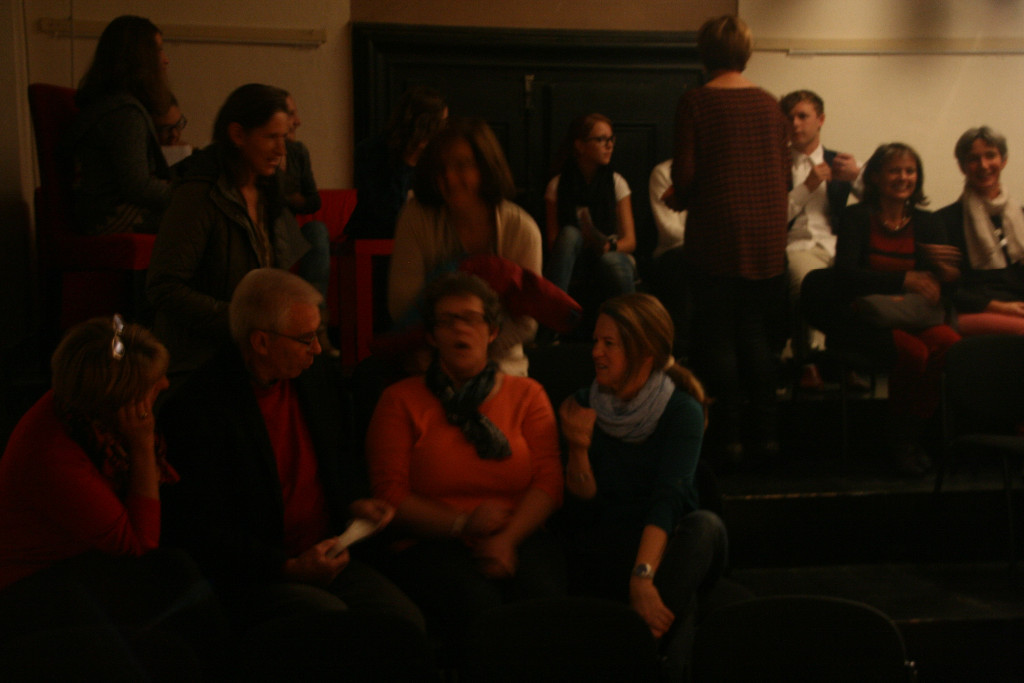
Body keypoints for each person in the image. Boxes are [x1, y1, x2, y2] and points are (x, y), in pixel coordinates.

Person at [159, 268, 432, 679]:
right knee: (333, 629)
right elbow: (200, 530)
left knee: (404, 624)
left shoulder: (314, 378)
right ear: (261, 342)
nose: (318, 349)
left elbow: (340, 457)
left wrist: (356, 502)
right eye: (306, 338)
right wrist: (287, 568)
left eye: (319, 334)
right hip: (259, 573)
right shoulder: (200, 409)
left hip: (328, 554)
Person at [0, 316, 223, 678]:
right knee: (170, 649)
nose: (166, 384)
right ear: (118, 401)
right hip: (33, 586)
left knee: (180, 573)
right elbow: (140, 543)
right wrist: (142, 444)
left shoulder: (84, 415)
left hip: (80, 563)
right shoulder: (54, 455)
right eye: (153, 382)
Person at [368, 272, 564, 651]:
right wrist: (462, 524)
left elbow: (549, 482)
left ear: (492, 331)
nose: (460, 328)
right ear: (432, 335)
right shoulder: (399, 400)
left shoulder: (527, 394)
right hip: (433, 541)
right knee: (478, 607)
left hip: (519, 531)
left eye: (471, 319)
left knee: (541, 604)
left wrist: (507, 539)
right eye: (447, 320)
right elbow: (389, 495)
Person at [558, 293, 727, 677]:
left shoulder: (681, 408)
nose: (596, 352)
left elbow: (669, 500)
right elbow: (582, 511)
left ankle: (635, 651)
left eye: (609, 343)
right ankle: (653, 657)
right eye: (596, 341)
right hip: (612, 540)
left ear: (645, 353)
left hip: (671, 543)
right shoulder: (582, 405)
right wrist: (578, 448)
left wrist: (642, 577)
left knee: (704, 526)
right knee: (678, 604)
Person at [670, 14, 790, 466]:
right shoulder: (771, 105)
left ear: (705, 52)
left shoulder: (696, 101)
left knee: (718, 335)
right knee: (756, 334)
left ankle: (729, 440)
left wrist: (680, 196)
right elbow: (783, 176)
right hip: (766, 239)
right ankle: (768, 438)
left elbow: (685, 175)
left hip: (717, 234)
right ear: (747, 52)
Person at [807, 143, 960, 475]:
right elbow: (845, 276)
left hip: (913, 316)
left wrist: (948, 276)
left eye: (910, 171)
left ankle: (912, 433)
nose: (903, 177)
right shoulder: (857, 217)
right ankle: (898, 440)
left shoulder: (928, 222)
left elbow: (939, 287)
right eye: (894, 170)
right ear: (874, 176)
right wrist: (902, 280)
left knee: (948, 342)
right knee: (914, 353)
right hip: (864, 318)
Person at [146, 83, 310, 380]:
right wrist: (242, 321)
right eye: (271, 137)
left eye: (284, 137)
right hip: (200, 362)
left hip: (249, 355)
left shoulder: (268, 193)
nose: (281, 150)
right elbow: (164, 287)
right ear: (237, 135)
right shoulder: (199, 195)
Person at [388, 116, 542, 377]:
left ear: (486, 167)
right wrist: (446, 354)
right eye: (441, 168)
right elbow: (402, 305)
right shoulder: (415, 218)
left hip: (501, 364)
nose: (448, 177)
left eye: (462, 165)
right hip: (429, 358)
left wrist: (474, 356)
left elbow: (526, 323)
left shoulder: (522, 230)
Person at [780, 90, 861, 390]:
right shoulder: (775, 163)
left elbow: (878, 201)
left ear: (821, 120)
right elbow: (774, 216)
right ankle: (807, 362)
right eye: (789, 117)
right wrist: (807, 186)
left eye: (803, 116)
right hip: (796, 245)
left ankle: (845, 361)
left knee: (858, 283)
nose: (795, 124)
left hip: (837, 245)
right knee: (805, 283)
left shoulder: (839, 161)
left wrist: (857, 176)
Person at [71, 15, 172, 235]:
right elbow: (138, 186)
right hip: (108, 215)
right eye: (158, 51)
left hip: (97, 210)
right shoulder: (125, 113)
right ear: (140, 59)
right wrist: (188, 194)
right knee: (208, 217)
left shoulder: (107, 103)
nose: (165, 60)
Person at [543, 113, 637, 309]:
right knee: (570, 234)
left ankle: (631, 321)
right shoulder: (558, 185)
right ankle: (553, 315)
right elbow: (553, 242)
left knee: (611, 261)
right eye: (601, 139)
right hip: (574, 255)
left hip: (610, 252)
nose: (609, 145)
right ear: (580, 145)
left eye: (611, 139)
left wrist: (606, 247)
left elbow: (630, 241)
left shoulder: (617, 183)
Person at [937, 126, 1024, 335]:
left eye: (990, 156)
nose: (983, 165)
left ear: (1003, 160)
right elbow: (947, 289)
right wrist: (1000, 307)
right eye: (974, 159)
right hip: (974, 309)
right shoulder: (945, 220)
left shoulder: (1020, 215)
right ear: (962, 167)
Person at [348, 86, 448, 239]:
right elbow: (385, 215)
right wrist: (409, 160)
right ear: (425, 125)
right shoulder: (371, 151)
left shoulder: (438, 155)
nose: (444, 130)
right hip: (375, 238)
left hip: (423, 239)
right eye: (441, 123)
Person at [280, 90, 337, 356]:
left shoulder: (297, 152)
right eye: (291, 114)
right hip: (265, 228)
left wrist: (288, 197)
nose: (298, 121)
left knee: (317, 230)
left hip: (290, 230)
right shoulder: (256, 155)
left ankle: (317, 324)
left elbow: (313, 201)